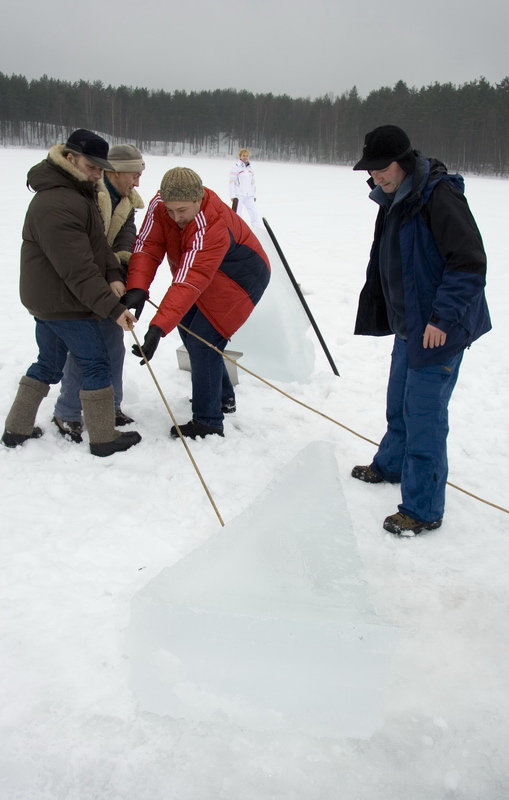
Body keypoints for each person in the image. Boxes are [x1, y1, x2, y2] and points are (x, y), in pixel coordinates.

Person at [351, 124, 491, 535]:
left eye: (382, 168)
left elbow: (469, 263)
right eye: (371, 170)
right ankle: (391, 465)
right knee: (399, 403)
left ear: (403, 161)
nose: (376, 176)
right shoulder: (396, 196)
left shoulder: (439, 196)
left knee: (424, 417)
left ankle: (423, 508)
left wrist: (442, 318)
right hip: (410, 324)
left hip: (439, 329)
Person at [1, 129, 141, 457]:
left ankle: (16, 429)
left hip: (53, 301)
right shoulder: (57, 203)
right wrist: (113, 309)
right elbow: (77, 269)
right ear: (70, 158)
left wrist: (113, 274)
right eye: (91, 167)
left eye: (100, 168)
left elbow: (98, 245)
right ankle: (104, 439)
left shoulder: (77, 193)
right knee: (96, 364)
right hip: (64, 302)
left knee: (48, 364)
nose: (97, 174)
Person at [123, 166, 270, 438]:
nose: (175, 217)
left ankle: (208, 421)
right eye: (170, 210)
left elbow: (190, 280)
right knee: (189, 331)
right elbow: (148, 246)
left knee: (204, 342)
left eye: (182, 210)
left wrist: (157, 328)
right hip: (206, 272)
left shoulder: (211, 223)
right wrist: (137, 287)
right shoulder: (161, 205)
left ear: (198, 199)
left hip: (241, 277)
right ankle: (222, 397)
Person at [52, 143, 146, 442]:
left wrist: (120, 272)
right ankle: (67, 412)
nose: (138, 182)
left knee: (113, 344)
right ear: (116, 171)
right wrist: (105, 276)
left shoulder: (127, 202)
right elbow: (83, 243)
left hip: (107, 280)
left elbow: (125, 238)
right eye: (134, 175)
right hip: (79, 282)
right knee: (86, 349)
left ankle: (111, 406)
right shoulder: (90, 191)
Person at [229, 148, 261, 226]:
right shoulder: (236, 167)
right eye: (243, 156)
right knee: (237, 214)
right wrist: (232, 196)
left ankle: (256, 228)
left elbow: (253, 183)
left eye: (247, 156)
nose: (245, 157)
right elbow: (231, 182)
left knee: (254, 213)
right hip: (239, 195)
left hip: (249, 195)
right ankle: (237, 230)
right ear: (240, 156)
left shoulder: (250, 168)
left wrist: (254, 195)